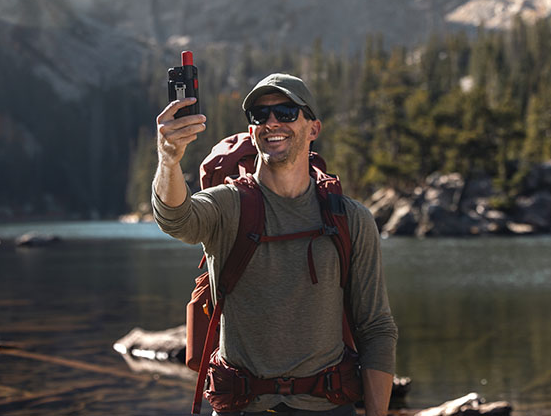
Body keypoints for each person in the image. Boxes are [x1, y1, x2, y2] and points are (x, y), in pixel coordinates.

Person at [152, 73, 398, 416]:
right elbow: (175, 219)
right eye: (260, 115)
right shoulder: (227, 205)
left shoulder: (351, 218)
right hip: (241, 406)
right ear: (252, 131)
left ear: (313, 129)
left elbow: (376, 328)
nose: (271, 123)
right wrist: (169, 159)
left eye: (286, 113)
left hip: (328, 406)